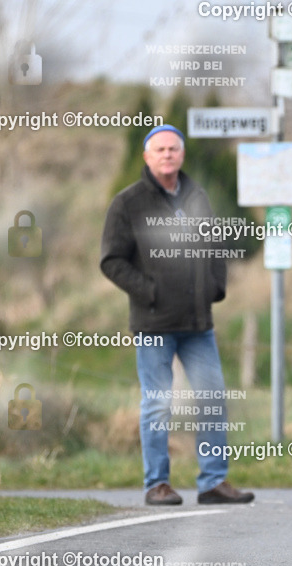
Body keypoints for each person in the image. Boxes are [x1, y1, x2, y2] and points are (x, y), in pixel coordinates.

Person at [100, 125, 254, 506]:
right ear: (147, 157)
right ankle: (157, 484)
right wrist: (150, 292)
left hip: (198, 324)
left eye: (173, 148)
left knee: (213, 399)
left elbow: (216, 245)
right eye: (160, 149)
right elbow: (112, 261)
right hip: (153, 323)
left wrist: (215, 287)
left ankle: (213, 482)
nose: (167, 155)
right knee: (157, 402)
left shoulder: (197, 195)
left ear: (182, 155)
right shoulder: (127, 203)